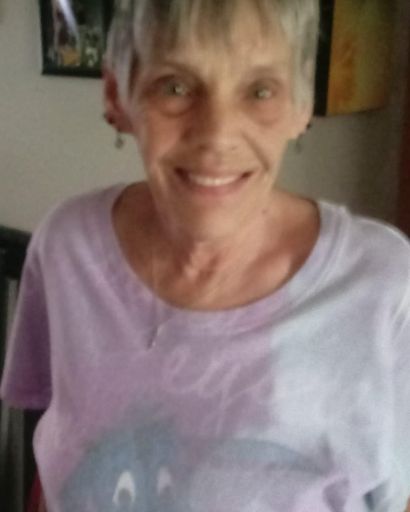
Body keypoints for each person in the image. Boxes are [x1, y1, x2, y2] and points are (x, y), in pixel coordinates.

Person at [1, 0, 410, 510]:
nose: (216, 135)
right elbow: (59, 455)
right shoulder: (66, 247)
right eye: (175, 87)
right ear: (117, 96)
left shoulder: (383, 288)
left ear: (300, 104)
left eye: (259, 91)